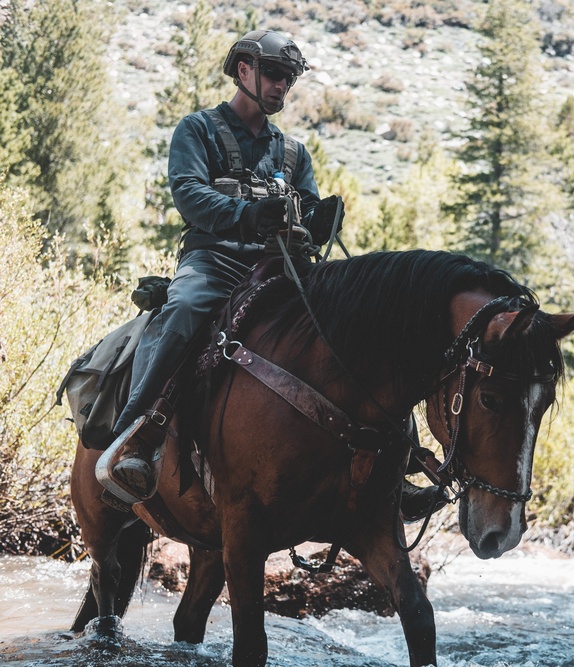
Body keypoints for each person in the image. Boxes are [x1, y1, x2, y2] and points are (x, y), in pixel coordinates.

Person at [107, 30, 441, 520]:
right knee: (181, 311)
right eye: (275, 75)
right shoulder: (196, 130)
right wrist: (248, 215)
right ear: (244, 71)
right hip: (214, 262)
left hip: (282, 271)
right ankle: (137, 438)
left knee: (361, 326)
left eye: (289, 78)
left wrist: (319, 219)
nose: (283, 85)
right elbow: (189, 195)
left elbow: (304, 208)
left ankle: (399, 462)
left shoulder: (293, 153)